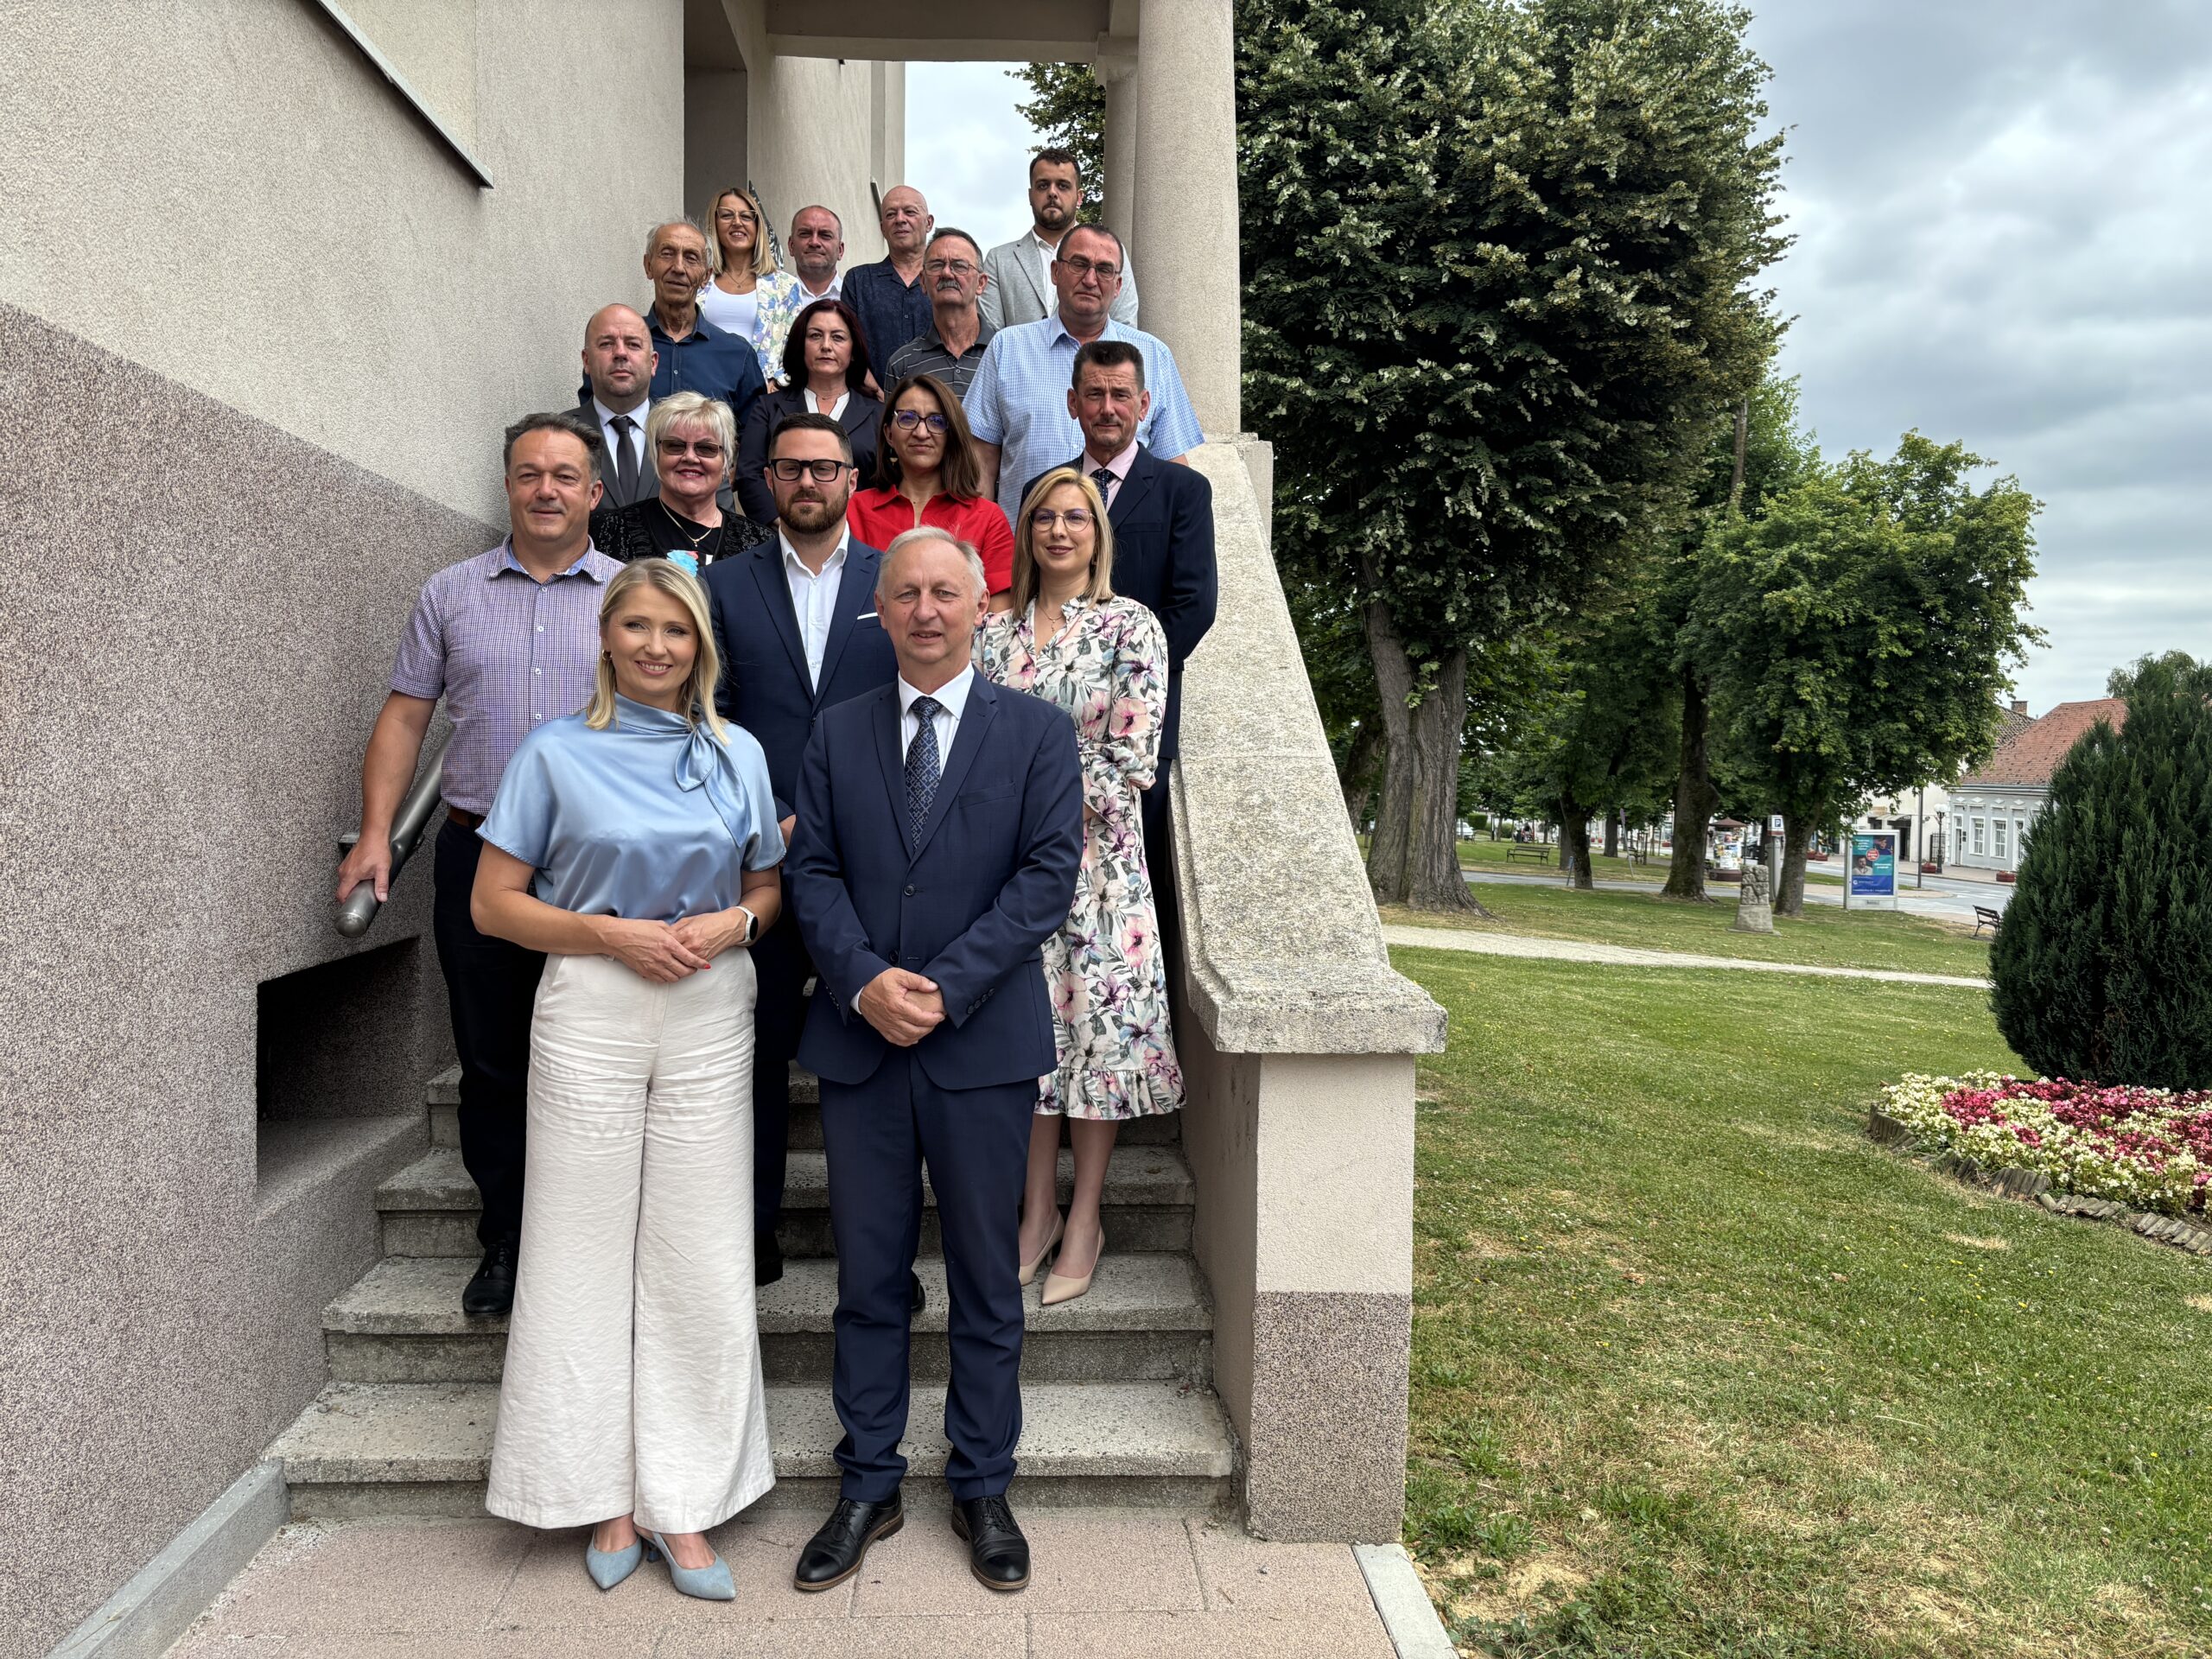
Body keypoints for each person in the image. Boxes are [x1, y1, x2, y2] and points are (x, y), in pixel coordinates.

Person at [474, 557, 783, 1602]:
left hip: (709, 1004)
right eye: (638, 626)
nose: (657, 646)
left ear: (701, 647)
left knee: (701, 1249)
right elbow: (491, 905)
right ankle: (599, 1493)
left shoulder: (737, 752)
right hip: (592, 1003)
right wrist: (610, 935)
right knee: (578, 1248)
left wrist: (735, 924)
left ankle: (683, 1502)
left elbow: (765, 887)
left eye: (676, 631)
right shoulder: (553, 752)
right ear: (606, 636)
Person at [785, 527, 1083, 1596]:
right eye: (905, 593)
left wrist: (946, 987)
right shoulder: (836, 731)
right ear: (882, 611)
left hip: (981, 1044)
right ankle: (868, 1482)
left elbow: (1046, 878)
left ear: (979, 606)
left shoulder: (1038, 733)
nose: (923, 610)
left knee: (985, 1282)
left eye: (944, 593)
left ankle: (982, 1484)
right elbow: (812, 873)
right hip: (862, 1044)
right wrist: (865, 980)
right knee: (868, 1278)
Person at [334, 412, 619, 1319]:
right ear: (507, 487)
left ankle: (595, 1240)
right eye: (530, 474)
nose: (546, 490)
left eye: (565, 475)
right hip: (478, 851)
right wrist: (376, 833)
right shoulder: (450, 593)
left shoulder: (630, 594)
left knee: (598, 1057)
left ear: (594, 492)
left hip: (598, 868)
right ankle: (509, 1238)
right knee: (492, 1061)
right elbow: (405, 717)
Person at [702, 413, 901, 1294]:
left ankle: (881, 1250)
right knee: (756, 1053)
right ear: (766, 480)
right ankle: (753, 1230)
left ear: (853, 479)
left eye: (826, 468)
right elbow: (707, 713)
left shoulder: (893, 580)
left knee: (880, 1059)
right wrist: (769, 815)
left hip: (876, 862)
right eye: (791, 469)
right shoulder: (723, 584)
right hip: (762, 858)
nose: (809, 482)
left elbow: (914, 704)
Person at [979, 469, 1183, 1307]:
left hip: (1102, 875)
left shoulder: (1130, 626)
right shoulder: (992, 636)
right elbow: (968, 751)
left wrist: (1027, 777)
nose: (1059, 530)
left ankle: (1087, 1216)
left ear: (1097, 533)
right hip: (1008, 868)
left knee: (1096, 1042)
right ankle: (1036, 1212)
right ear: (1026, 531)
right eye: (1044, 517)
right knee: (1032, 1045)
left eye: (1076, 517)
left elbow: (1133, 761)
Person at [1019, 339, 1217, 865]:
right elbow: (1027, 591)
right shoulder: (1041, 493)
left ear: (1144, 405)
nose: (1108, 408)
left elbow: (1194, 605)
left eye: (1121, 395)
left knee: (1124, 863)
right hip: (1044, 715)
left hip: (1135, 721)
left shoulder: (1183, 491)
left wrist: (1119, 672)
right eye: (1094, 394)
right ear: (1073, 403)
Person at [967, 224, 1201, 519]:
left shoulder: (1154, 356)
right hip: (1026, 544)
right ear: (1056, 272)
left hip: (1128, 545)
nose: (1090, 280)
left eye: (1104, 270)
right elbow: (981, 464)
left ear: (1118, 286)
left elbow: (1174, 467)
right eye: (1079, 264)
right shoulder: (1008, 349)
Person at [577, 220, 766, 438]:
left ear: (706, 276)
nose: (678, 268)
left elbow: (754, 439)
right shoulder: (615, 349)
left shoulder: (738, 355)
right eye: (667, 254)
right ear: (648, 266)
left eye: (691, 258)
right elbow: (591, 424)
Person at [849, 373, 1015, 602]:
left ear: (951, 435)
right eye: (908, 418)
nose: (921, 433)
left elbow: (998, 613)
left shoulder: (988, 519)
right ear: (889, 434)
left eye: (937, 421)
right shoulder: (854, 510)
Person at [735, 299, 883, 526]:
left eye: (838, 337)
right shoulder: (768, 408)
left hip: (859, 535)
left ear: (853, 350)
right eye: (815, 335)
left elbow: (887, 484)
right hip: (783, 533)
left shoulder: (878, 415)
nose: (826, 346)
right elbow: (749, 475)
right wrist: (787, 526)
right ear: (800, 345)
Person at [588, 390, 770, 574]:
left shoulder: (761, 544)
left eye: (706, 448)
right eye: (675, 446)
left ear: (726, 460)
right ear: (656, 455)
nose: (690, 457)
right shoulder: (605, 532)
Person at [980, 149, 1140, 330]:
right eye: (1043, 185)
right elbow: (990, 334)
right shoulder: (999, 260)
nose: (1052, 193)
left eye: (1063, 186)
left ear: (1079, 197)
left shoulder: (1111, 254)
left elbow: (1125, 328)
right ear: (1030, 195)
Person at [697, 185, 804, 391]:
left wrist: (777, 384)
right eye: (727, 215)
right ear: (714, 223)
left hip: (761, 396)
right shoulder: (699, 280)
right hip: (704, 392)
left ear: (757, 226)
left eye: (746, 216)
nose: (737, 222)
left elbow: (798, 349)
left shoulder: (785, 287)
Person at [841, 186, 937, 391]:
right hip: (870, 403)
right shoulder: (858, 280)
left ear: (929, 223)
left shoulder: (945, 280)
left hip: (939, 405)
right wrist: (877, 394)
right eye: (891, 214)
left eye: (909, 212)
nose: (900, 219)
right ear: (882, 228)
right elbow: (846, 344)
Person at [886, 228, 997, 403]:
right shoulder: (902, 364)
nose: (946, 273)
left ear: (981, 283)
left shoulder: (1007, 353)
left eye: (959, 266)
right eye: (936, 265)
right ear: (923, 282)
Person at [574, 304, 657, 509]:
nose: (620, 353)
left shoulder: (687, 437)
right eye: (606, 344)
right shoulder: (558, 434)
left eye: (633, 344)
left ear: (653, 363)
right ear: (586, 361)